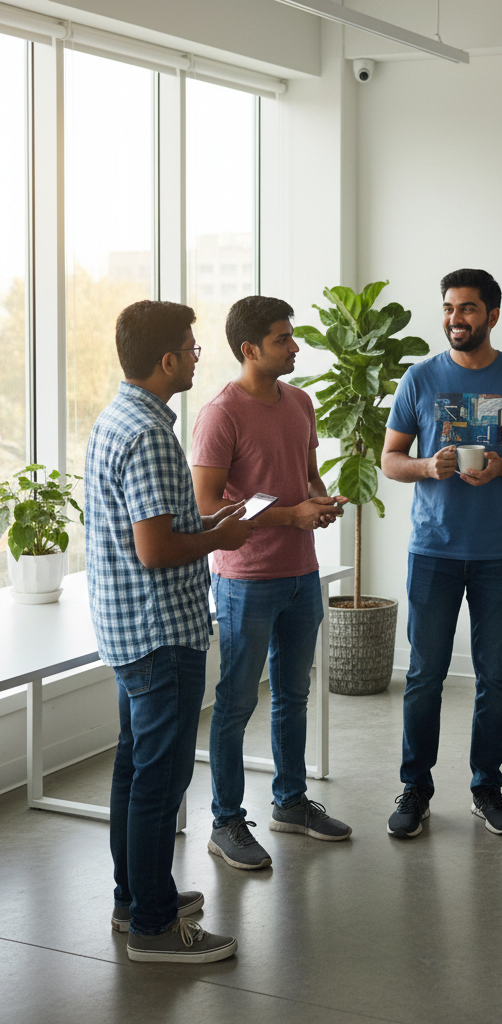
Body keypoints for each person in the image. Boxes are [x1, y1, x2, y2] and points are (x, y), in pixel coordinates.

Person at [86, 299, 255, 962]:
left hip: (129, 630)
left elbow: (145, 535)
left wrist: (213, 528)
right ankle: (155, 926)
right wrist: (224, 536)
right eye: (190, 346)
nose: (196, 354)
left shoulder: (116, 417)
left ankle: (137, 898)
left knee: (135, 771)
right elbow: (156, 549)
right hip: (160, 635)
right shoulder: (152, 434)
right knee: (160, 780)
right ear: (166, 360)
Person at [381, 268, 502, 838]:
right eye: (450, 308)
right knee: (425, 675)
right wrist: (428, 466)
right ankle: (416, 788)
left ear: (493, 315)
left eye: (469, 309)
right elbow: (390, 460)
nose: (457, 318)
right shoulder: (419, 378)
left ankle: (487, 786)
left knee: (495, 677)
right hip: (432, 549)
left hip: (498, 551)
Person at [191, 295, 349, 871]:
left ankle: (289, 803)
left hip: (301, 575)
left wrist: (319, 500)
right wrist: (291, 515)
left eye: (292, 337)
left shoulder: (301, 403)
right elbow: (207, 505)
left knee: (293, 696)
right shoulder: (220, 414)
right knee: (234, 705)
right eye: (283, 340)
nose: (295, 347)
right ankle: (226, 823)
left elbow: (306, 475)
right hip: (245, 580)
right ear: (248, 349)